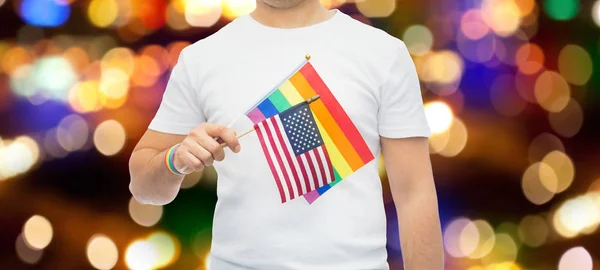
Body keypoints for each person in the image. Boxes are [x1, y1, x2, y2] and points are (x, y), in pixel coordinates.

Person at [128, 0, 444, 268]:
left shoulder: (383, 53)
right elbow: (143, 186)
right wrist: (174, 160)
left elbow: (415, 196)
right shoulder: (201, 59)